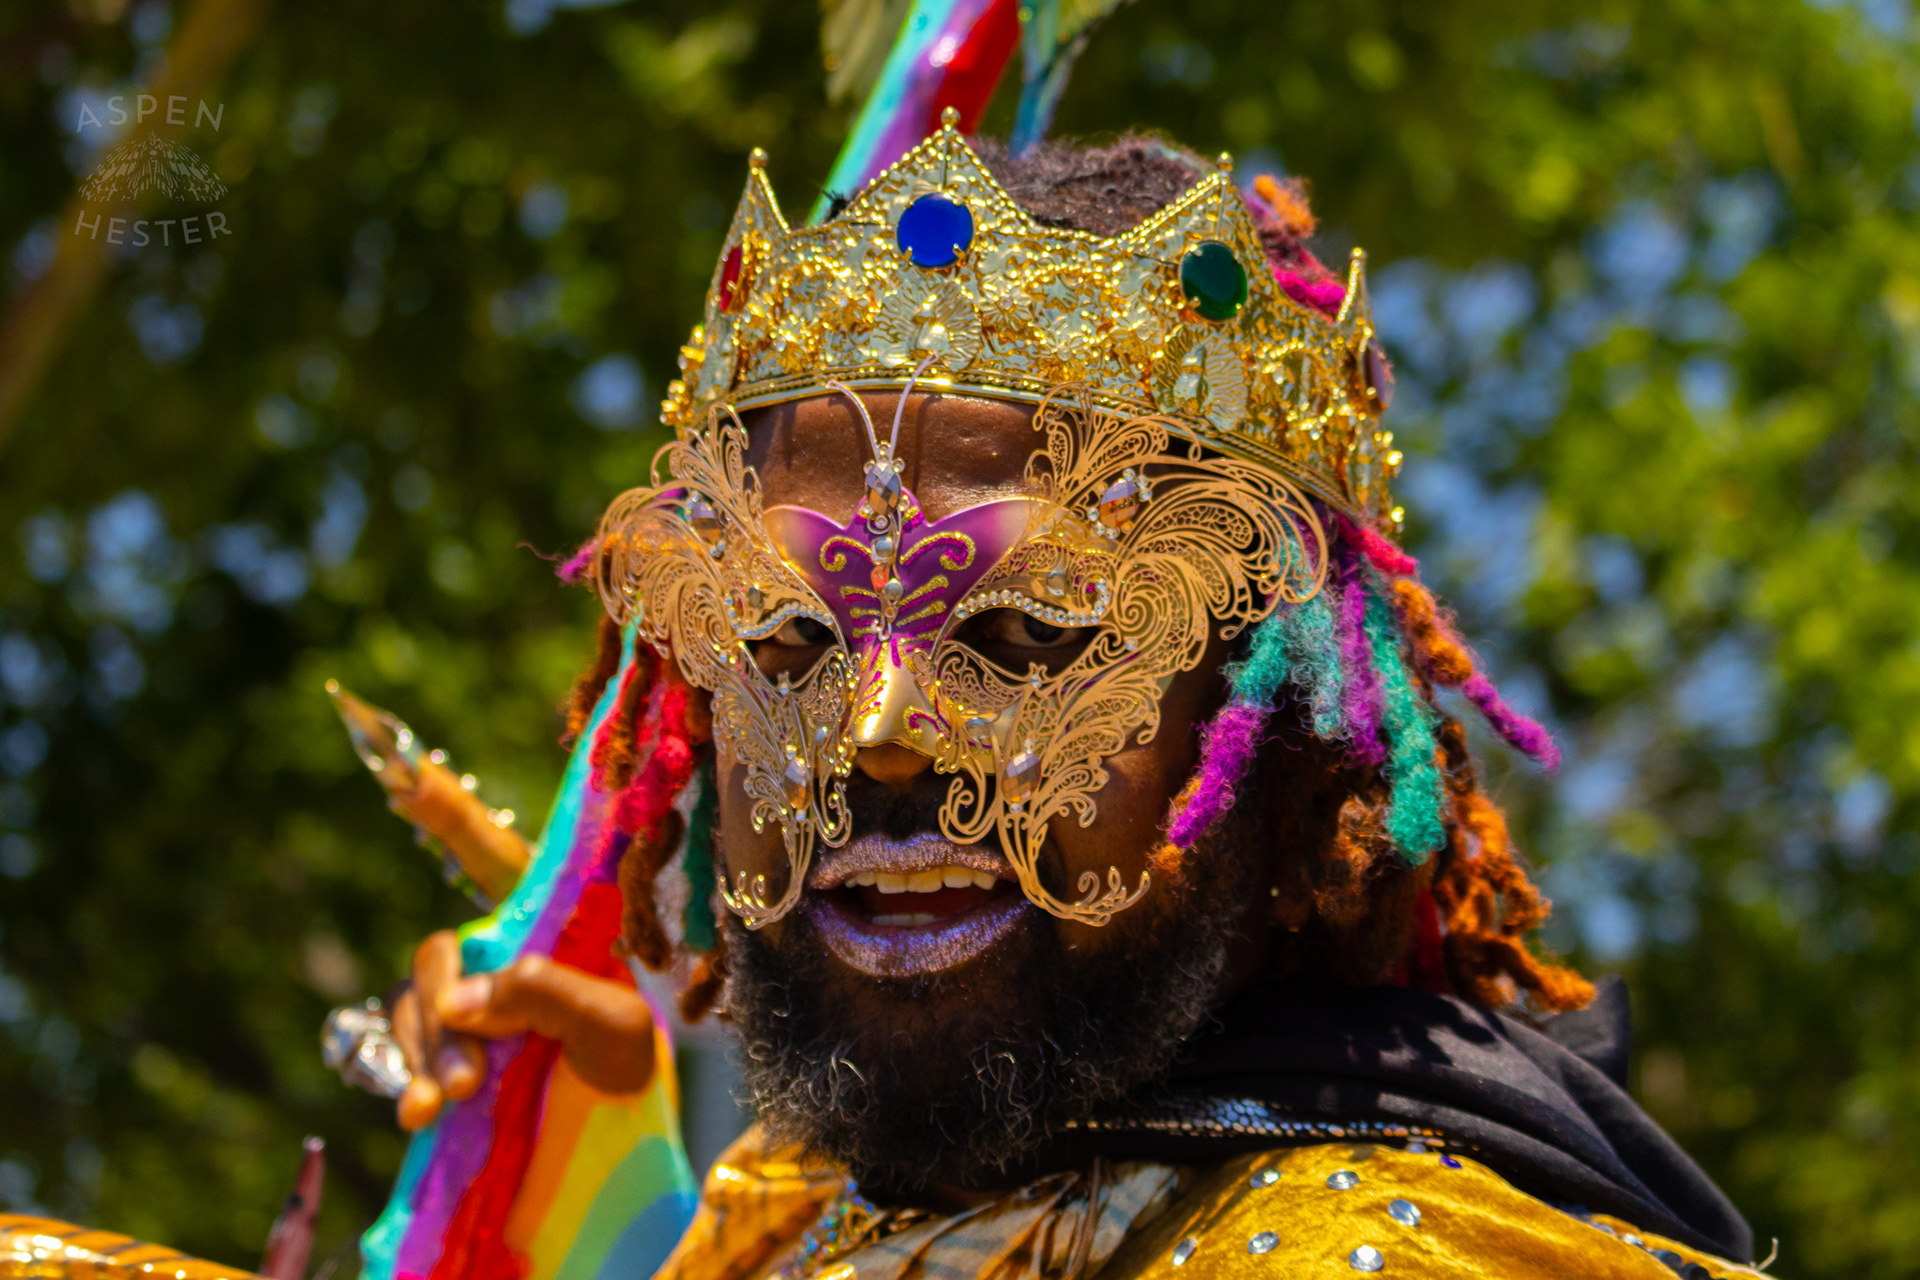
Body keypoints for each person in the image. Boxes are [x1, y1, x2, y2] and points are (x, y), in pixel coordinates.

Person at [377, 122, 1767, 1280]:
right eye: (787, 637)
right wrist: (586, 1191)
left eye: (1031, 632)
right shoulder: (808, 1212)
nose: (879, 741)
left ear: (1286, 757)